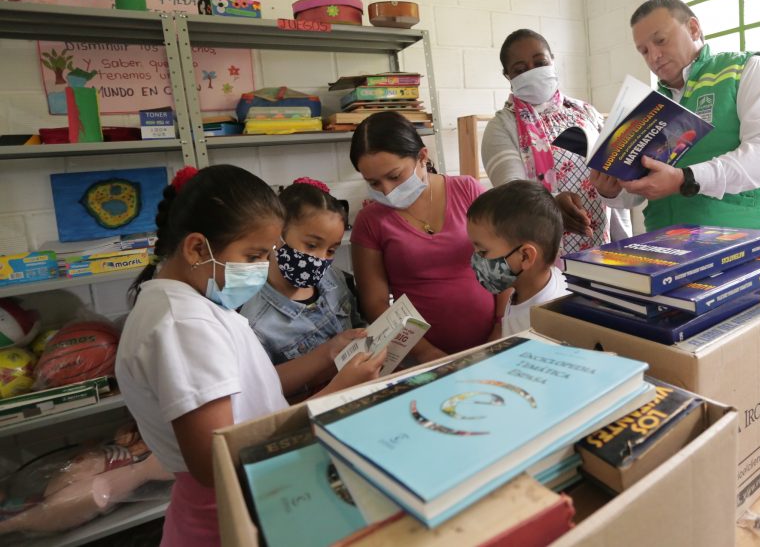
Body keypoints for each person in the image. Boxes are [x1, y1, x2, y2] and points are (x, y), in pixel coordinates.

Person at [116, 165, 385, 546]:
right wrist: (336, 393)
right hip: (229, 513)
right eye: (255, 255)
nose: (262, 270)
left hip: (250, 497)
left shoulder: (195, 302)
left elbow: (254, 388)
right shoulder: (184, 326)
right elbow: (216, 463)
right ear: (196, 248)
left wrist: (328, 354)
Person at [593, 0, 760, 245]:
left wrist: (684, 179)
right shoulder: (647, 107)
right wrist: (611, 191)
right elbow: (635, 192)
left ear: (694, 28)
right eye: (644, 50)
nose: (654, 56)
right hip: (669, 250)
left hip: (743, 244)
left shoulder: (749, 69)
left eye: (661, 40)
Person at [350, 111, 498, 363]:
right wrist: (427, 354)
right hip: (419, 357)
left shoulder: (468, 191)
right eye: (374, 183)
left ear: (422, 156)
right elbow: (375, 305)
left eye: (395, 176)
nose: (387, 190)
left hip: (493, 342)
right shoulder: (370, 222)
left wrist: (500, 331)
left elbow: (504, 264)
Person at [482, 29, 632, 254]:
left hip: (603, 250)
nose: (532, 72)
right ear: (508, 76)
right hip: (543, 257)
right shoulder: (502, 126)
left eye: (540, 62)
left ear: (552, 61)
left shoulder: (586, 113)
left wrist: (612, 193)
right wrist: (550, 206)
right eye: (520, 70)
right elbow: (510, 193)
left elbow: (620, 181)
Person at [239, 177, 365, 401]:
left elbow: (356, 323)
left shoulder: (334, 280)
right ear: (277, 234)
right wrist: (327, 356)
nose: (320, 260)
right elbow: (258, 390)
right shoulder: (252, 321)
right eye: (312, 245)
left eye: (331, 250)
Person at [467, 180, 570, 338]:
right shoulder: (524, 289)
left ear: (525, 256)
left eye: (483, 251)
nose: (474, 260)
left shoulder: (548, 321)